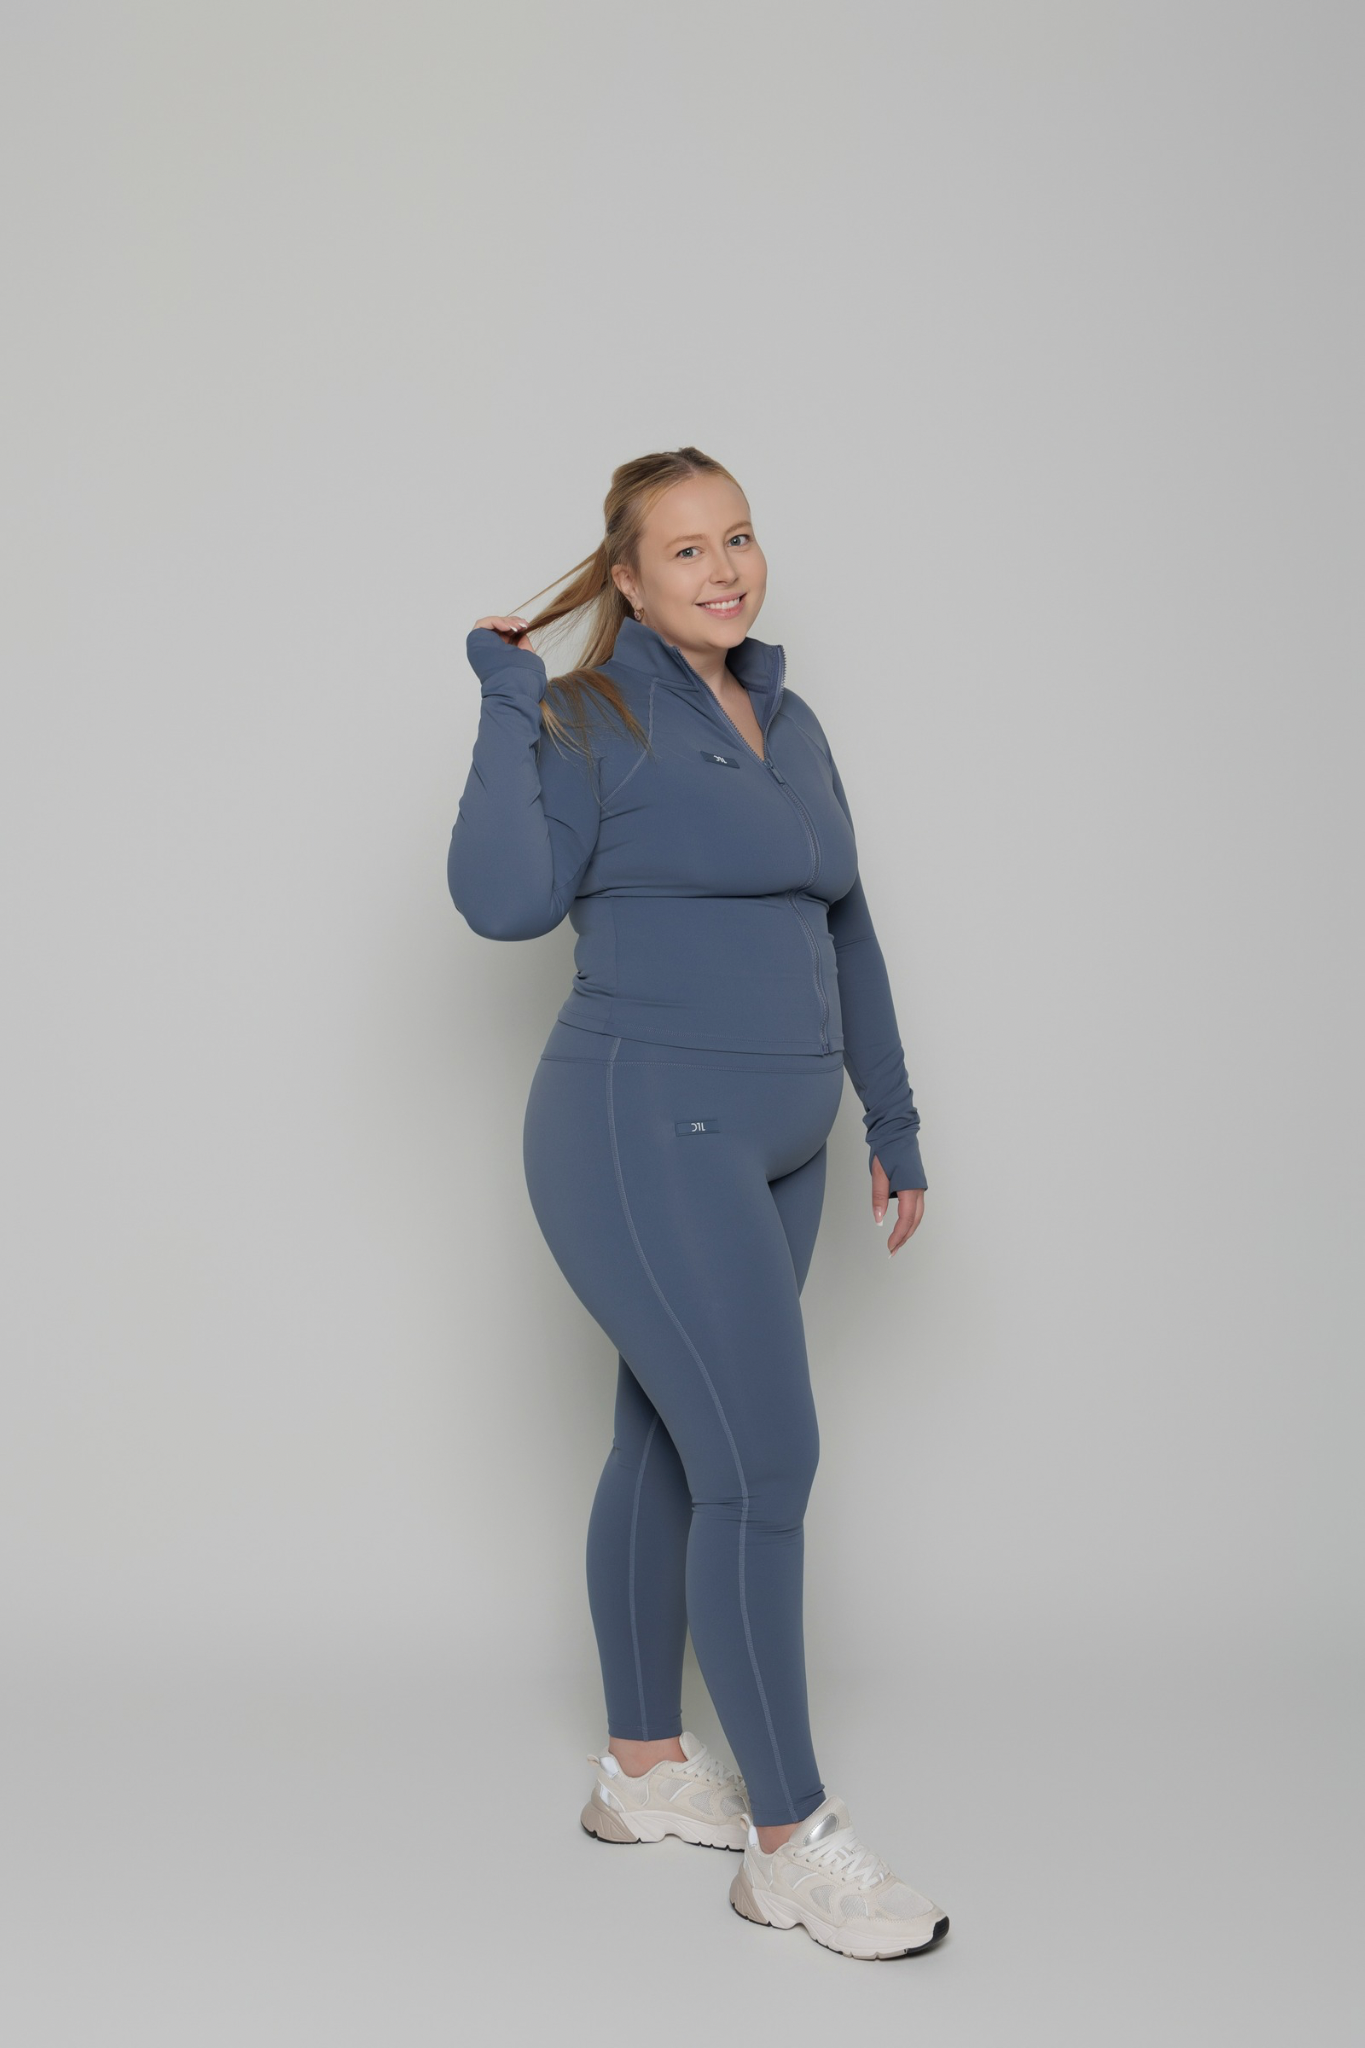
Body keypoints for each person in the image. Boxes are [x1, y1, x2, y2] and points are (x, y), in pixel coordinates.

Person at [447, 446, 949, 1960]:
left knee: (673, 1440)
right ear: (626, 578)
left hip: (782, 1142)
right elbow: (503, 902)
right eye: (686, 550)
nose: (724, 569)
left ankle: (642, 1771)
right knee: (765, 1458)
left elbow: (846, 920)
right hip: (643, 1125)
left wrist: (892, 1119)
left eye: (739, 537)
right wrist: (503, 703)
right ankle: (788, 1845)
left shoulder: (787, 718)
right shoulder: (587, 717)